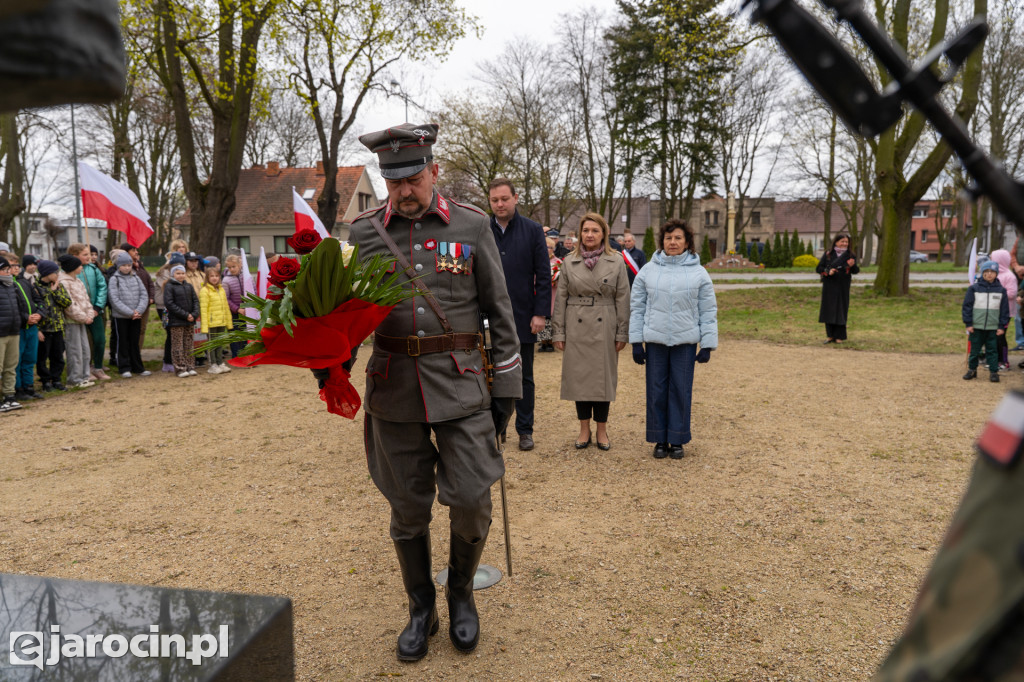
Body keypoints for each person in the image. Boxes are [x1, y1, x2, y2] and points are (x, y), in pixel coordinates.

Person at [341, 122, 522, 662]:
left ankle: (462, 592)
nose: (403, 190)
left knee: (471, 499)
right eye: (393, 180)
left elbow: (500, 312)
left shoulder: (471, 226)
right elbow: (348, 316)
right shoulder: (365, 232)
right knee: (406, 507)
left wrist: (507, 391)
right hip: (394, 390)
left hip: (462, 386)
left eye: (413, 178)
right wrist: (329, 359)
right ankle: (421, 607)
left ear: (434, 172)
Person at [629, 219, 718, 459]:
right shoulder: (648, 270)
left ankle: (677, 438)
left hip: (685, 342)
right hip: (655, 341)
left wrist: (707, 344)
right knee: (656, 390)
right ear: (662, 242)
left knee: (680, 390)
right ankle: (659, 438)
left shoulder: (699, 273)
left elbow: (708, 310)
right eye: (668, 238)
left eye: (678, 238)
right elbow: (637, 306)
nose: (673, 242)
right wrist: (637, 342)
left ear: (687, 242)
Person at [551, 212, 630, 451]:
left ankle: (602, 430)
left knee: (603, 379)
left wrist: (622, 332)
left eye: (595, 230)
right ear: (579, 234)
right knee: (580, 379)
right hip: (576, 325)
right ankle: (584, 429)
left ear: (604, 234)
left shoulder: (616, 261)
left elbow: (623, 298)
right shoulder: (568, 262)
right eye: (586, 230)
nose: (590, 235)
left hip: (605, 324)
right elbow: (560, 299)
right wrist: (558, 332)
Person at [487, 177, 551, 451]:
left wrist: (540, 314)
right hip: (487, 315)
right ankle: (493, 428)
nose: (499, 204)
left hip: (523, 316)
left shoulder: (533, 230)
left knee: (523, 376)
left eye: (504, 199)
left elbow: (544, 275)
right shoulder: (481, 228)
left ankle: (525, 430)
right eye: (494, 200)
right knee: (487, 374)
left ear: (515, 198)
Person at [962, 260, 1009, 383]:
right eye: (986, 271)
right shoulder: (974, 289)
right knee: (975, 350)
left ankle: (994, 372)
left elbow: (1004, 310)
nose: (989, 274)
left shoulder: (1001, 290)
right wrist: (969, 323)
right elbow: (967, 306)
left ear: (996, 273)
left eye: (992, 272)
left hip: (993, 327)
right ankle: (972, 369)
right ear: (982, 273)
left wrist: (1001, 326)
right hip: (976, 326)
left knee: (992, 350)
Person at [108, 251, 151, 378]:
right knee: (123, 342)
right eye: (124, 265)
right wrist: (130, 312)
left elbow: (144, 295)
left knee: (134, 341)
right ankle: (124, 367)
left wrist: (139, 311)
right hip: (121, 317)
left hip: (136, 315)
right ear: (118, 266)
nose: (127, 268)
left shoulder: (136, 278)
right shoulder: (114, 279)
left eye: (129, 265)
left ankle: (137, 367)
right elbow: (114, 299)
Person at [57, 253, 97, 388]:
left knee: (85, 350)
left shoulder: (78, 281)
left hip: (83, 320)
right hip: (72, 321)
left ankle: (84, 376)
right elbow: (69, 305)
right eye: (79, 265)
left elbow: (86, 300)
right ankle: (74, 379)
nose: (81, 267)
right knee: (75, 351)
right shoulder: (63, 282)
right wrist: (83, 317)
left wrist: (90, 314)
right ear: (73, 267)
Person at [816, 233, 859, 344]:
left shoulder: (850, 255)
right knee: (829, 310)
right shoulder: (828, 254)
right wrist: (828, 271)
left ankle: (839, 336)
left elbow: (856, 271)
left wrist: (852, 265)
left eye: (846, 242)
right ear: (836, 242)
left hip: (843, 286)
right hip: (829, 285)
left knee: (841, 309)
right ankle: (830, 336)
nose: (844, 244)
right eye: (842, 241)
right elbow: (819, 268)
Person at [35, 259, 70, 392]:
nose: (58, 274)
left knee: (58, 356)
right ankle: (45, 381)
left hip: (58, 327)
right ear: (47, 273)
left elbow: (67, 302)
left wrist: (55, 291)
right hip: (44, 328)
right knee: (42, 357)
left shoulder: (58, 285)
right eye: (56, 272)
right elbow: (35, 307)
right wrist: (37, 329)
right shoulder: (35, 287)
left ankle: (56, 380)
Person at [13, 254, 45, 400]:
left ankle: (29, 387)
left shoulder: (25, 282)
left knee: (30, 358)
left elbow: (39, 300)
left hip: (32, 327)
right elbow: (13, 308)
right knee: (17, 360)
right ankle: (18, 389)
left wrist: (39, 314)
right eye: (10, 266)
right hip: (19, 327)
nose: (14, 269)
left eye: (16, 265)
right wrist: (27, 317)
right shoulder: (6, 286)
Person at [0, 257, 28, 412]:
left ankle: (9, 396)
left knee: (11, 365)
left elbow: (20, 306)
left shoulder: (12, 285)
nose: (7, 272)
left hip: (13, 330)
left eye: (7, 269)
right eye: (4, 269)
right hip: (0, 333)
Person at [79, 244, 110, 381]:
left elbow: (102, 286)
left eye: (90, 254)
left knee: (100, 339)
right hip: (79, 313)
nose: (90, 257)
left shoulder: (93, 269)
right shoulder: (68, 271)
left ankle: (98, 367)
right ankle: (84, 369)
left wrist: (97, 307)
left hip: (95, 311)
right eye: (85, 255)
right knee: (83, 343)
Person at [164, 264, 199, 378]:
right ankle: (180, 368)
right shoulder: (169, 286)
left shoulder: (189, 286)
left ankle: (190, 366)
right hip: (176, 321)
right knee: (178, 345)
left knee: (189, 343)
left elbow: (195, 301)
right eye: (178, 273)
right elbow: (170, 303)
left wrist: (193, 314)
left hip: (190, 320)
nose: (181, 275)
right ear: (173, 274)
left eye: (182, 273)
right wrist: (185, 315)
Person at [153, 252, 186, 372]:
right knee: (170, 333)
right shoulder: (164, 274)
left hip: (175, 307)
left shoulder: (179, 273)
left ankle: (175, 359)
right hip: (164, 308)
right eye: (177, 264)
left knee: (175, 333)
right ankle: (167, 361)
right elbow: (168, 291)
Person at [198, 267, 232, 374]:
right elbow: (203, 309)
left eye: (216, 276)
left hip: (221, 321)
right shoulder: (204, 291)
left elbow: (226, 306)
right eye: (212, 276)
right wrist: (204, 326)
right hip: (211, 323)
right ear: (207, 278)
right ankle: (212, 364)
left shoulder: (221, 289)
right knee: (212, 344)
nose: (214, 278)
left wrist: (228, 322)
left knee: (220, 343)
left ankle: (219, 362)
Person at [991, 249, 1017, 370]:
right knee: (993, 336)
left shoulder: (1009, 276)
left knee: (1000, 336)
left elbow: (1012, 293)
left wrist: (996, 292)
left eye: (993, 259)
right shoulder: (993, 274)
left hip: (1005, 313)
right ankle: (994, 359)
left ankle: (1004, 361)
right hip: (993, 311)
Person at [537, 236, 561, 353]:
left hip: (553, 293)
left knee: (551, 318)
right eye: (545, 247)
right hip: (540, 293)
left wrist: (556, 280)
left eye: (550, 247)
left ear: (554, 249)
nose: (547, 249)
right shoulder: (537, 260)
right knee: (542, 316)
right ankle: (543, 342)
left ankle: (551, 342)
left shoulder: (558, 262)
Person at [221, 254, 245, 358]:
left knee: (245, 334)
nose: (231, 269)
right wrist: (237, 309)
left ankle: (246, 355)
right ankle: (236, 356)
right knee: (235, 335)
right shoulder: (226, 280)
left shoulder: (245, 276)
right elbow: (225, 298)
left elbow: (252, 290)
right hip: (234, 313)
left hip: (247, 311)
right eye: (229, 267)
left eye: (234, 266)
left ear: (240, 265)